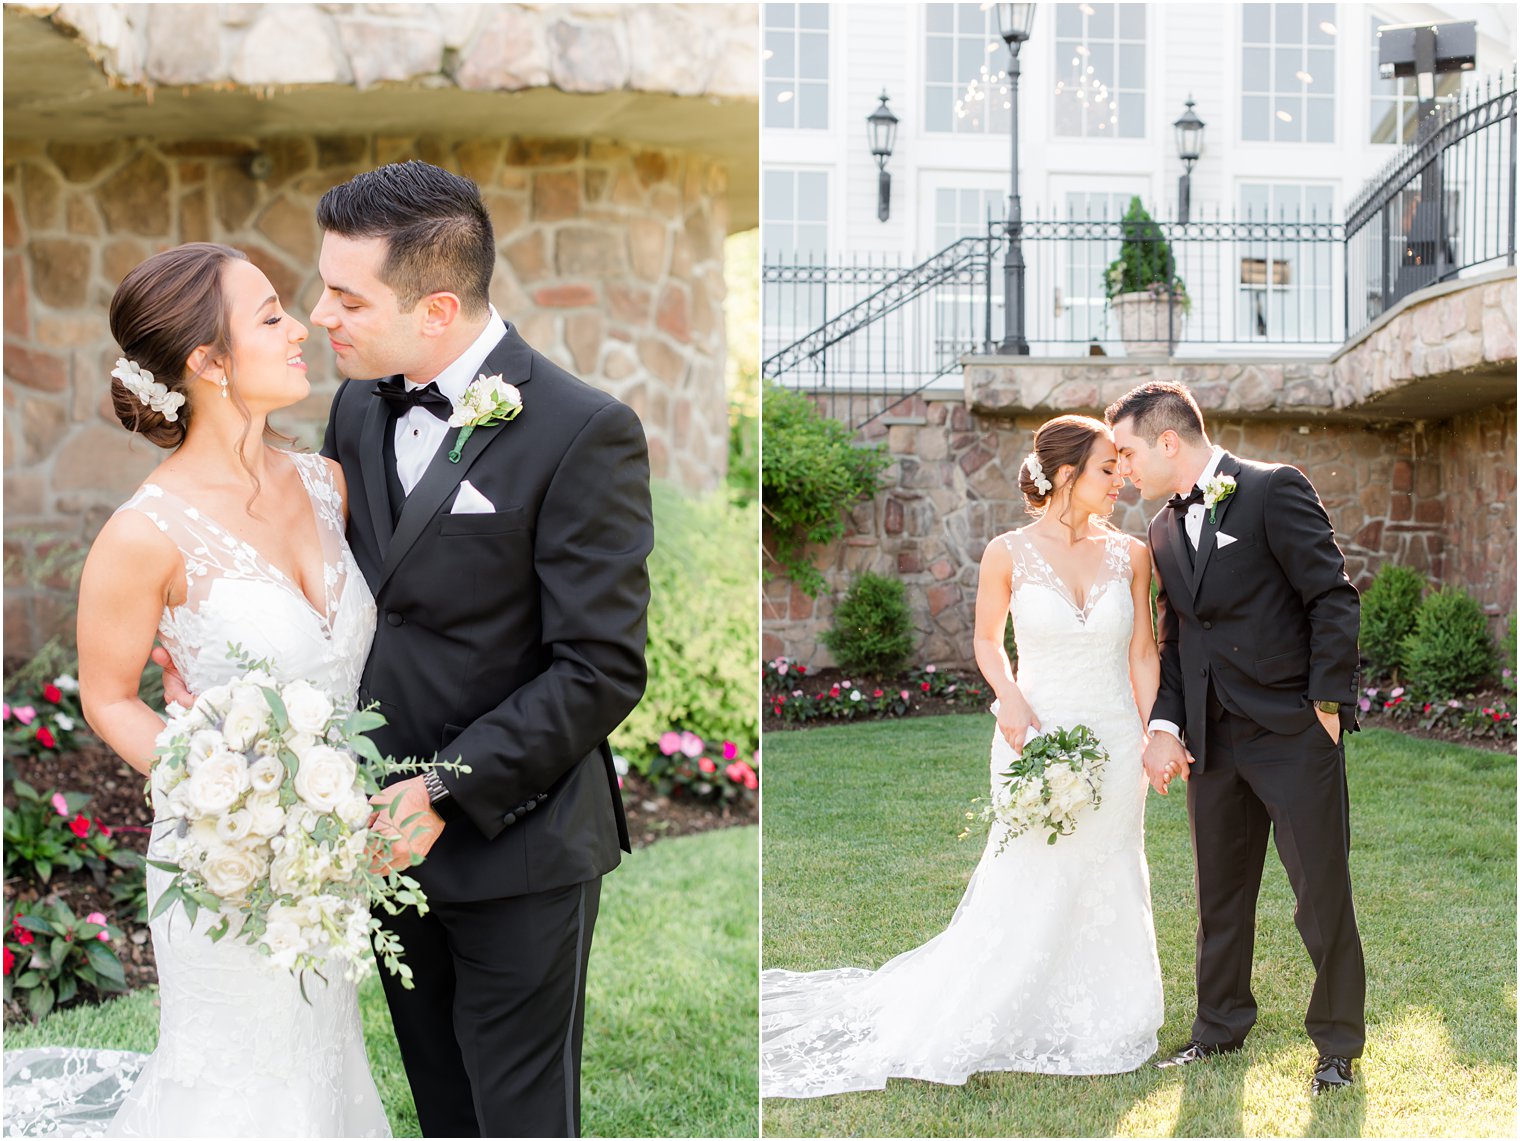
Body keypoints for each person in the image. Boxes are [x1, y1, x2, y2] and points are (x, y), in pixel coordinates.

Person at [3, 242, 390, 1137]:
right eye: (270, 317)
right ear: (208, 362)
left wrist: (324, 809)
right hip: (224, 854)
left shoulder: (327, 484)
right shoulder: (142, 535)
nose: (301, 327)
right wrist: (228, 792)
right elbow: (109, 698)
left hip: (331, 853)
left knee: (320, 1072)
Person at [309, 161, 652, 1138]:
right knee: (444, 1107)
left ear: (436, 307)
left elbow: (600, 665)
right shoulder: (354, 408)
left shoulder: (584, 430)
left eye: (344, 295)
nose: (317, 314)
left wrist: (444, 789)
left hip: (520, 840)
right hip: (385, 836)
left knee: (518, 1115)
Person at [761, 414, 1165, 1098]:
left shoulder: (1134, 553)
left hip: (1115, 739)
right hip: (1028, 734)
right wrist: (1007, 694)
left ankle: (1110, 1010)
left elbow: (1143, 651)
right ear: (1065, 475)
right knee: (1026, 872)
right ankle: (1004, 1003)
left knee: (1107, 869)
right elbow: (985, 639)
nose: (1119, 480)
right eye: (1106, 468)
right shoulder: (1008, 551)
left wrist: (1155, 731)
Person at [1105, 381, 1365, 1095]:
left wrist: (1328, 702)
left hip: (1292, 732)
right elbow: (1180, 637)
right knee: (1220, 895)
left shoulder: (1273, 488)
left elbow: (1331, 595)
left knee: (1321, 892)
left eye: (1126, 450)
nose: (1121, 466)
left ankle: (1338, 1046)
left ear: (1167, 440)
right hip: (1212, 743)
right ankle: (1218, 1028)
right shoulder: (1160, 530)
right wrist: (1167, 723)